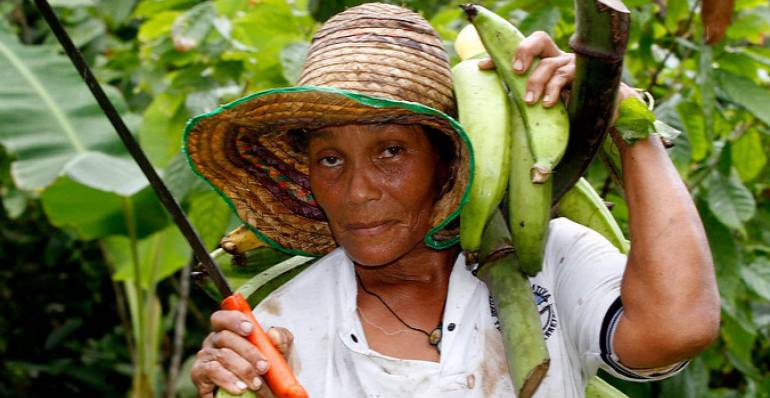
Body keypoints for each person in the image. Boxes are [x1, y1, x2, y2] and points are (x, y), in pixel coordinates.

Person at [185, 3, 720, 397]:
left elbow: (676, 329)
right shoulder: (282, 325)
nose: (358, 190)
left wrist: (626, 120)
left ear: (450, 162)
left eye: (390, 151)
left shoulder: (547, 262)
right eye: (330, 159)